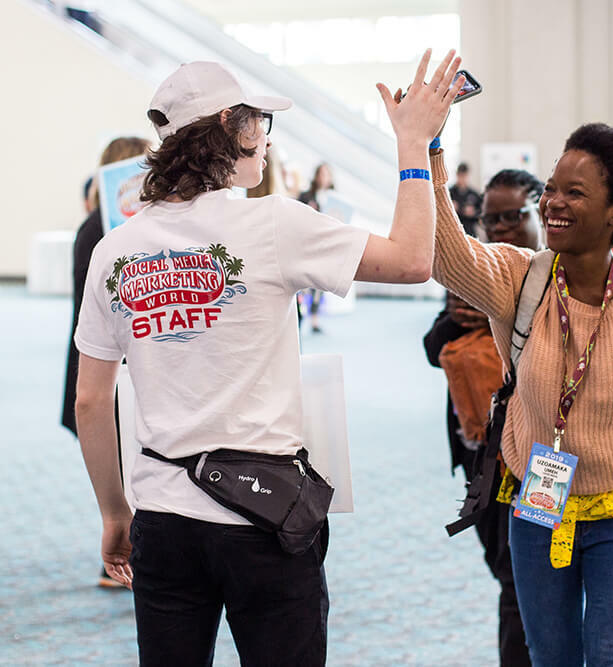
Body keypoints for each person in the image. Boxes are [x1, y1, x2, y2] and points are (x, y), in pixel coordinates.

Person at [73, 52, 462, 665]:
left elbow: (91, 399)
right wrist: (413, 144)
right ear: (231, 125)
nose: (264, 141)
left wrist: (114, 513)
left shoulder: (114, 250)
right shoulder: (272, 223)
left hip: (164, 519)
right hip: (262, 513)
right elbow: (413, 261)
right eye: (260, 124)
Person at [430, 121, 613, 666]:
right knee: (548, 656)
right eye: (552, 187)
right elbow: (444, 254)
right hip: (536, 505)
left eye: (574, 192)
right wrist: (427, 151)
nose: (552, 202)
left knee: (609, 656)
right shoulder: (520, 279)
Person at [423, 168, 543, 667]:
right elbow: (433, 347)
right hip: (483, 460)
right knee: (507, 570)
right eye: (490, 219)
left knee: (523, 581)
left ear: (542, 210)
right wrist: (461, 315)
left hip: (542, 461)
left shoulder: (559, 277)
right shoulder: (477, 271)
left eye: (514, 216)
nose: (500, 228)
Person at [61, 136, 151, 589]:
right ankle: (124, 555)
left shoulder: (97, 228)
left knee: (126, 464)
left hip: (101, 363)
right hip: (109, 366)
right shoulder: (107, 233)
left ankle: (125, 550)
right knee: (122, 464)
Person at [298, 162, 336, 332]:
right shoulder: (306, 196)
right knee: (305, 281)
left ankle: (314, 318)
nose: (324, 178)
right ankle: (301, 313)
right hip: (308, 244)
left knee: (319, 284)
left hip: (326, 245)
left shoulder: (335, 198)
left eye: (326, 174)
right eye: (321, 174)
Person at [449, 161, 483, 236]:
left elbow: (481, 214)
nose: (462, 179)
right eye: (460, 175)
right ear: (457, 175)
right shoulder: (449, 193)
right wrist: (449, 208)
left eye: (464, 176)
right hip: (453, 231)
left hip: (469, 231)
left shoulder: (474, 194)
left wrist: (473, 212)